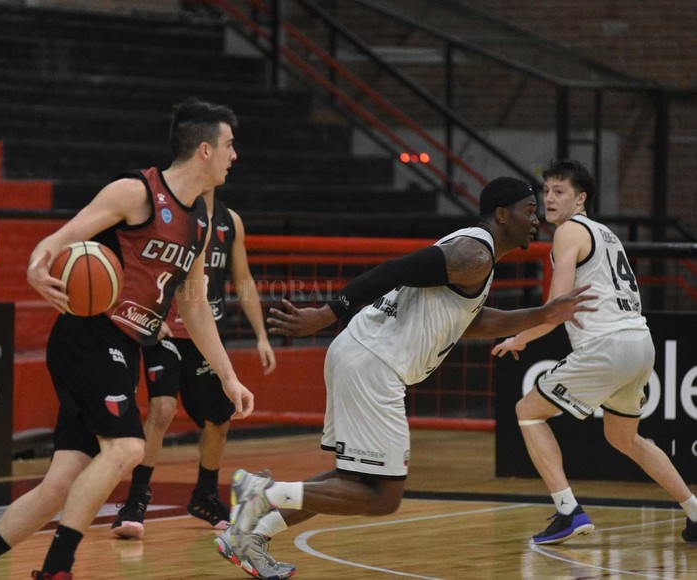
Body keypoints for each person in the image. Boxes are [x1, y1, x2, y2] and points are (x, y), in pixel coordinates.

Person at [0, 98, 255, 580]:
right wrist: (36, 265)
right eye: (229, 145)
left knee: (60, 483)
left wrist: (229, 376)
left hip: (124, 347)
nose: (234, 155)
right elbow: (60, 238)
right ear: (204, 150)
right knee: (128, 448)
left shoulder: (201, 223)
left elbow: (195, 306)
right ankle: (56, 570)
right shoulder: (137, 192)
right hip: (90, 333)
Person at [215, 177, 597, 579]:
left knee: (353, 479)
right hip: (375, 364)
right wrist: (325, 314)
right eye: (529, 211)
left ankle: (248, 536)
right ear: (502, 215)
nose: (536, 220)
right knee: (383, 497)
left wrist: (542, 315)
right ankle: (262, 492)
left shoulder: (474, 255)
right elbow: (392, 269)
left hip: (362, 355)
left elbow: (473, 322)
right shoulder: (474, 253)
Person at [490, 160, 697, 545]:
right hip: (640, 343)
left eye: (560, 191)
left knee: (528, 412)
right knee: (624, 438)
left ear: (581, 198)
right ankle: (696, 511)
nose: (550, 199)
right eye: (547, 191)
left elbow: (557, 308)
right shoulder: (605, 233)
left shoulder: (569, 231)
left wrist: (520, 338)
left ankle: (568, 510)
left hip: (607, 345)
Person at [111, 188, 276, 539]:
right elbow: (139, 266)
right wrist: (149, 313)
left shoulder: (230, 222)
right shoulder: (170, 215)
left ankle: (205, 496)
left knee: (219, 419)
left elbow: (243, 279)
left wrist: (261, 334)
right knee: (162, 409)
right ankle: (136, 499)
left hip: (205, 335)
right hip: (166, 331)